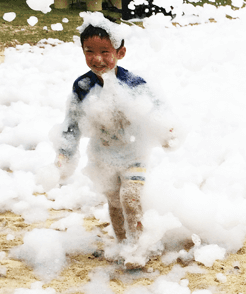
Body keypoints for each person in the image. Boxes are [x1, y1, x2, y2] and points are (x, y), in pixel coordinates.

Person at [55, 13, 176, 268]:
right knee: (114, 201)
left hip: (134, 152)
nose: (97, 58)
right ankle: (123, 243)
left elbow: (157, 109)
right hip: (104, 154)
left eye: (105, 51)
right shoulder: (83, 86)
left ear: (120, 53)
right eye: (89, 51)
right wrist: (65, 152)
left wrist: (168, 131)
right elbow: (72, 122)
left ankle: (138, 247)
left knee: (130, 196)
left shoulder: (133, 84)